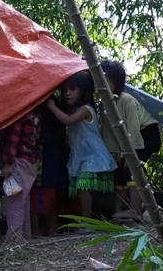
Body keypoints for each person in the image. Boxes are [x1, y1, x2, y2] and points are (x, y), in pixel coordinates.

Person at [46, 71, 117, 225]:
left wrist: (51, 106)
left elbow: (68, 121)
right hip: (80, 155)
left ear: (84, 90)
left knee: (83, 188)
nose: (67, 94)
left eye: (72, 89)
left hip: (92, 155)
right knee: (79, 190)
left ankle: (87, 222)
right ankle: (83, 220)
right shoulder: (73, 109)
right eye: (65, 90)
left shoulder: (86, 109)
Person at [99, 60, 163, 221]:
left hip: (147, 133)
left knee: (133, 169)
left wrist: (131, 151)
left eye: (105, 79)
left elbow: (133, 127)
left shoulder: (126, 100)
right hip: (126, 139)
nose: (100, 83)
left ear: (116, 81)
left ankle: (137, 211)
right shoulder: (103, 105)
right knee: (120, 171)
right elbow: (110, 131)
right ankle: (116, 213)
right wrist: (116, 151)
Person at [30, 96, 70, 237]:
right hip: (43, 163)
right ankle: (40, 233)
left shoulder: (52, 106)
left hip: (50, 162)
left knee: (49, 198)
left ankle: (48, 231)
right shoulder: (44, 108)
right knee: (41, 199)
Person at [0, 109, 41, 239]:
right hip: (29, 161)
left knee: (15, 204)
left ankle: (14, 242)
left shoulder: (22, 111)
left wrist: (8, 162)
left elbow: (14, 137)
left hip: (18, 161)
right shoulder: (36, 113)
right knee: (23, 203)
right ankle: (25, 240)